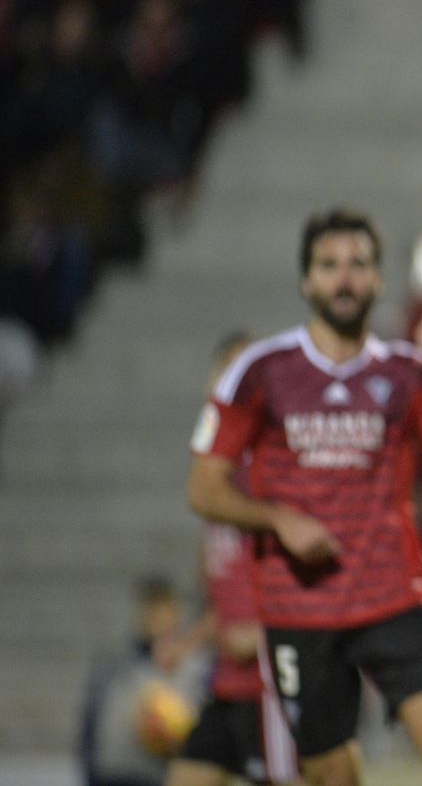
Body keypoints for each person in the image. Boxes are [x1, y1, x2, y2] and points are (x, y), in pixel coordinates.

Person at [186, 209, 422, 786]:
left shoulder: (406, 370)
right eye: (329, 266)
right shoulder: (260, 371)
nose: (344, 278)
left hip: (393, 596)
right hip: (299, 610)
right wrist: (279, 519)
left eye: (358, 264)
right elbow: (203, 489)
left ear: (378, 280)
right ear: (307, 281)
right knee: (332, 775)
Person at [169, 333, 299, 786]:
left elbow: (313, 578)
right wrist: (189, 642)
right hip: (228, 682)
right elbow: (226, 596)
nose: (232, 380)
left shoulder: (271, 471)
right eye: (225, 367)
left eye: (246, 369)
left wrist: (264, 634)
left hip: (270, 684)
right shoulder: (215, 480)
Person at [80, 577, 210, 786]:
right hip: (111, 773)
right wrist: (89, 765)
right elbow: (91, 718)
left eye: (163, 610)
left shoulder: (195, 664)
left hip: (157, 774)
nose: (156, 618)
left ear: (176, 612)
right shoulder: (115, 659)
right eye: (150, 610)